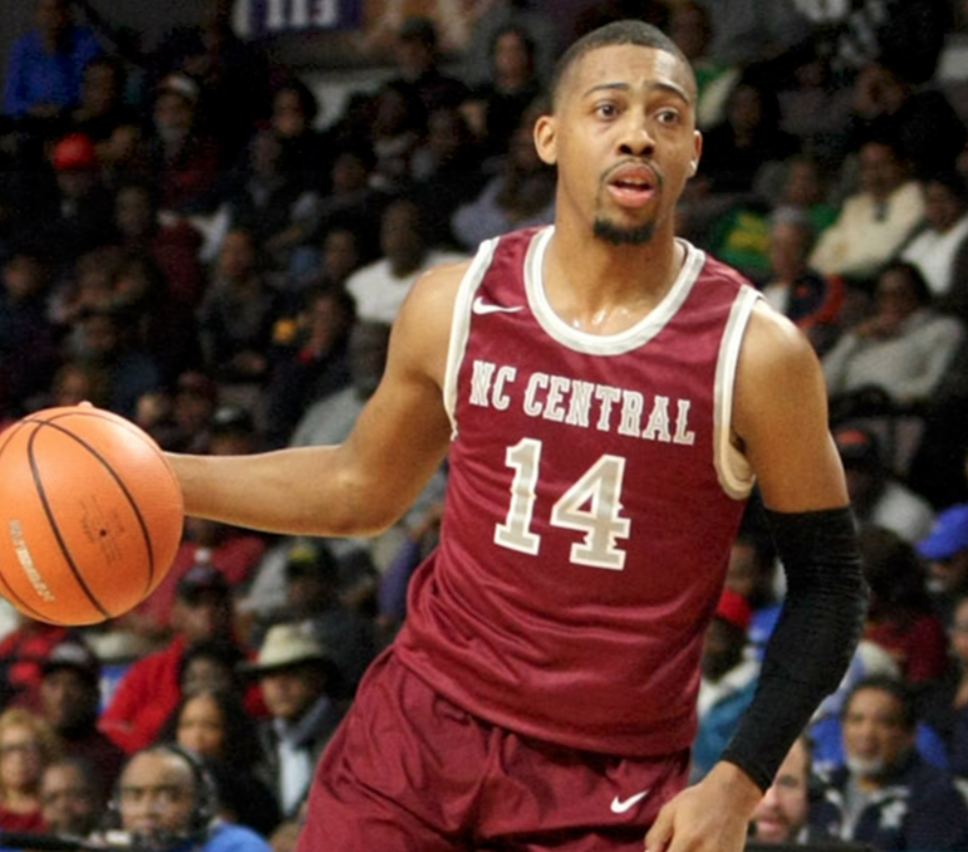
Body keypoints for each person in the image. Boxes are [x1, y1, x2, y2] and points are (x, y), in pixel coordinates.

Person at [165, 21, 867, 852]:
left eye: (668, 117)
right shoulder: (453, 303)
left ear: (692, 156)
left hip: (605, 775)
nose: (639, 132)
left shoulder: (756, 354)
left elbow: (829, 590)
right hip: (417, 735)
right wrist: (146, 470)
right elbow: (360, 490)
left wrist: (739, 780)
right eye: (608, 109)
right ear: (550, 137)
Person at [808, 675, 968, 851]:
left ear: (910, 734)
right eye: (856, 719)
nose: (867, 733)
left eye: (884, 722)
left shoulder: (938, 798)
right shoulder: (821, 788)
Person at [109, 744, 272, 852]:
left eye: (168, 796)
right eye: (135, 796)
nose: (147, 810)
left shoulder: (239, 846)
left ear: (200, 803)